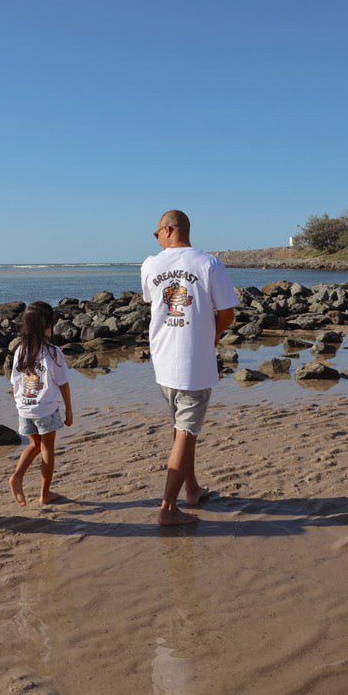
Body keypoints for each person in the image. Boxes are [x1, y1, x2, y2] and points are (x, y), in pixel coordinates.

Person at [141, 210, 238, 526]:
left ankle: (192, 490)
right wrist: (212, 334)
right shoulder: (208, 263)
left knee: (182, 430)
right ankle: (168, 508)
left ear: (168, 230)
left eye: (156, 234)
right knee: (186, 431)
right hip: (193, 363)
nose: (156, 239)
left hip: (164, 362)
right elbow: (227, 313)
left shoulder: (150, 265)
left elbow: (153, 303)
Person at [9, 301, 73, 506]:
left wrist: (22, 405)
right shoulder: (53, 352)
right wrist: (69, 410)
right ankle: (45, 494)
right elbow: (63, 384)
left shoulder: (20, 350)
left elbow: (14, 382)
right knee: (47, 448)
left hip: (25, 408)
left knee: (34, 444)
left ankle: (17, 476)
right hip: (45, 409)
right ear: (47, 325)